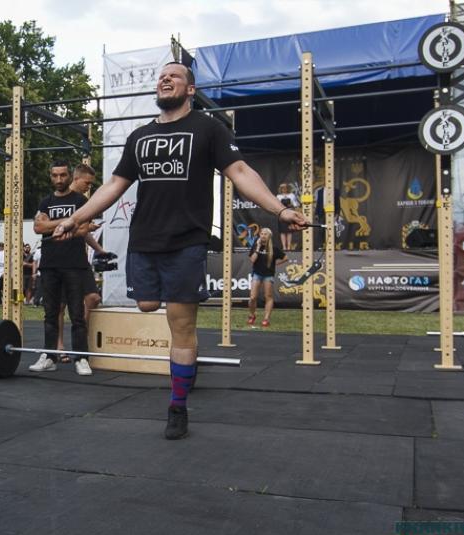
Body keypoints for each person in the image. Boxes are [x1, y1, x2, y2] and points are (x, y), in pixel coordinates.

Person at [54, 62, 307, 439]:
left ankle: (177, 406)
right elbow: (114, 185)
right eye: (161, 77)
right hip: (144, 241)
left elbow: (240, 172)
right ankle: (183, 367)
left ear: (190, 89)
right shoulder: (140, 136)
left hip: (187, 241)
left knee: (181, 324)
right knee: (146, 305)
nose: (165, 79)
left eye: (174, 76)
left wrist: (280, 210)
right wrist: (76, 218)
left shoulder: (208, 128)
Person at [30, 160, 97, 376]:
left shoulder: (80, 200)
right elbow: (38, 227)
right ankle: (50, 356)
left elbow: (84, 228)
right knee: (50, 313)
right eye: (55, 175)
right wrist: (69, 222)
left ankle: (81, 358)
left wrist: (53, 224)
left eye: (62, 175)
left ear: (70, 177)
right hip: (50, 265)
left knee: (77, 314)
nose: (59, 179)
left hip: (74, 264)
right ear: (51, 177)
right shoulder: (45, 201)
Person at [247, 228, 287, 328]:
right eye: (261, 234)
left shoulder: (274, 248)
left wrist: (275, 264)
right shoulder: (255, 246)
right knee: (253, 297)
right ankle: (252, 315)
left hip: (268, 275)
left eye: (265, 234)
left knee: (268, 296)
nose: (263, 235)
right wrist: (258, 247)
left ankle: (266, 319)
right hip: (257, 274)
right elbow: (252, 260)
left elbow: (285, 258)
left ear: (269, 236)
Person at [276, 183, 300, 250]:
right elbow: (276, 205)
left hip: (289, 213)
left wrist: (291, 204)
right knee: (282, 231)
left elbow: (296, 204)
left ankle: (289, 247)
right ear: (280, 189)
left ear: (287, 188)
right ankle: (284, 247)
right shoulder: (278, 196)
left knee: (289, 231)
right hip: (281, 214)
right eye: (282, 188)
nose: (284, 189)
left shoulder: (291, 195)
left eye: (285, 188)